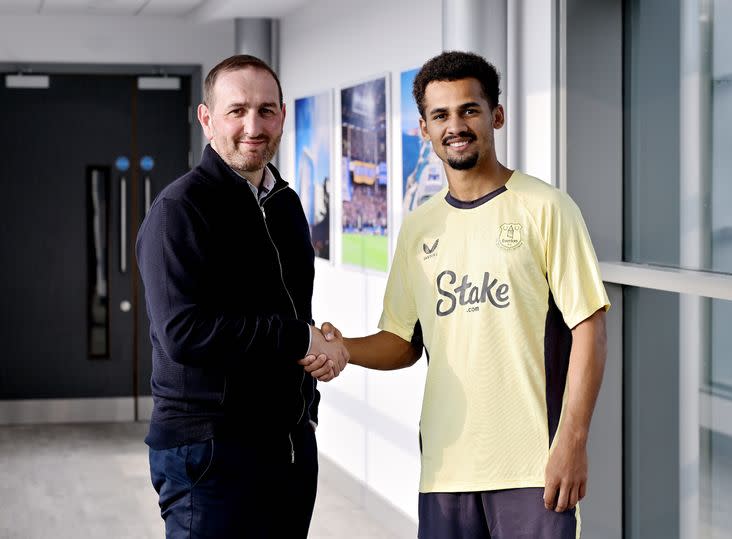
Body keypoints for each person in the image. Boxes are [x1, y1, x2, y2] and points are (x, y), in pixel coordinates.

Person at [303, 51, 609, 538]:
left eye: (469, 109)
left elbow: (589, 329)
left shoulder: (546, 208)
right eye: (440, 115)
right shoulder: (419, 226)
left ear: (497, 116)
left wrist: (572, 441)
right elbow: (402, 341)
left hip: (535, 469)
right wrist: (344, 349)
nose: (456, 125)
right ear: (424, 129)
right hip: (446, 470)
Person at [136, 54, 348, 539]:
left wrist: (316, 350)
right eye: (237, 111)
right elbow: (184, 334)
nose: (253, 126)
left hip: (287, 444)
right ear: (207, 119)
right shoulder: (179, 210)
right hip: (209, 453)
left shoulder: (286, 204)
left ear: (282, 117)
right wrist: (300, 338)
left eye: (266, 110)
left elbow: (287, 314)